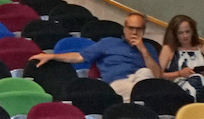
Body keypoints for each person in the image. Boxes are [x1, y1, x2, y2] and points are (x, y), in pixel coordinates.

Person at [29, 14, 162, 98]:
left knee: (145, 72)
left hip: (142, 83)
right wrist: (52, 56)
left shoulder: (149, 48)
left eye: (138, 29)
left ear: (143, 31)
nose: (134, 32)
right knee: (143, 92)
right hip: (117, 84)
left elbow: (157, 76)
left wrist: (143, 51)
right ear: (124, 28)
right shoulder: (108, 42)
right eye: (130, 28)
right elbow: (80, 57)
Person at [158, 14, 204, 96]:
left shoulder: (202, 48)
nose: (185, 36)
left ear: (193, 31)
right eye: (180, 33)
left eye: (188, 32)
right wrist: (179, 74)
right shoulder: (169, 49)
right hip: (178, 88)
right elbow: (158, 75)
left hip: (203, 84)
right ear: (174, 34)